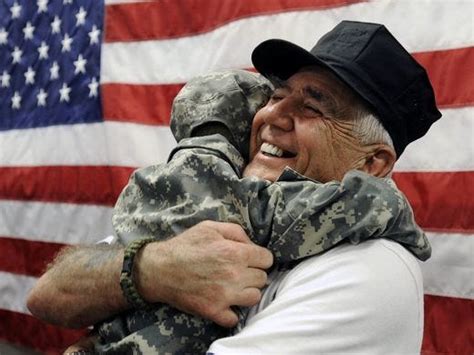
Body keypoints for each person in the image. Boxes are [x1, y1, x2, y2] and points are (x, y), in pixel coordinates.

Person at [27, 21, 441, 354]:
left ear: (373, 163)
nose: (274, 115)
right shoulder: (216, 192)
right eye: (277, 95)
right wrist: (151, 269)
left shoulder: (370, 269)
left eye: (313, 106)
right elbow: (48, 294)